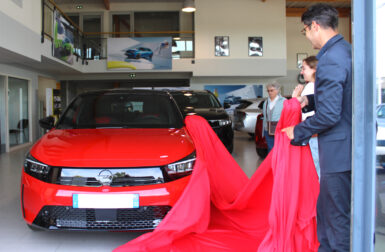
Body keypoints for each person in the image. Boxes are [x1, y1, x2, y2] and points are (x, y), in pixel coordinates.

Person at [282, 3, 352, 252]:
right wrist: (308, 100)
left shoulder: (331, 59)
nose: (308, 36)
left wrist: (298, 131)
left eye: (305, 30)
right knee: (328, 212)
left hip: (339, 153)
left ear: (314, 26)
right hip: (345, 151)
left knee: (335, 220)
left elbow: (330, 114)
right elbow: (343, 99)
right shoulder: (345, 50)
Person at [292, 56, 320, 179]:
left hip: (313, 139)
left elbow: (310, 119)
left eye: (304, 68)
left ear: (314, 69)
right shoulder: (314, 87)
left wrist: (295, 99)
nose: (301, 72)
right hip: (313, 138)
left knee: (314, 175)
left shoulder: (311, 88)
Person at [263, 82, 286, 153]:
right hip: (268, 129)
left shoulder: (284, 101)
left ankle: (279, 164)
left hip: (280, 129)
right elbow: (264, 116)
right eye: (268, 91)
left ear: (277, 90)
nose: (269, 92)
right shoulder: (266, 102)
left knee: (280, 149)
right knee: (270, 149)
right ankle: (272, 163)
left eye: (271, 90)